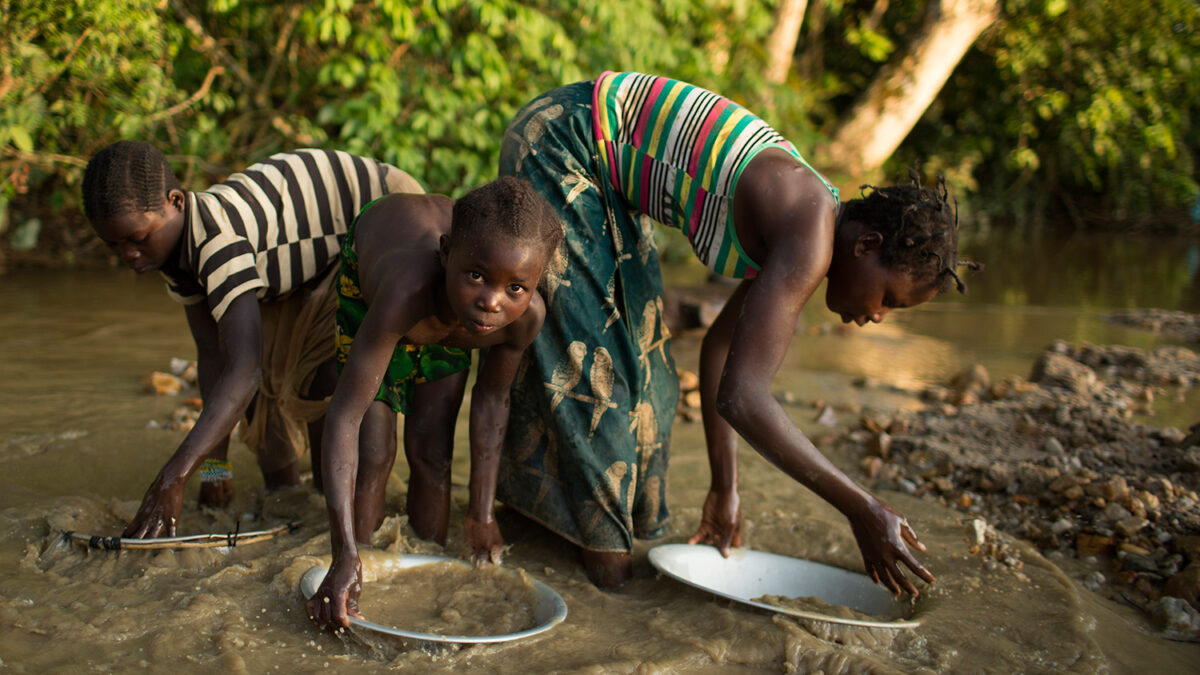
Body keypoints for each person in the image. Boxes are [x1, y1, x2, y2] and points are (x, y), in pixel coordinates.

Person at [498, 71, 977, 593]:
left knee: (654, 378)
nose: (878, 315)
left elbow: (720, 352)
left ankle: (544, 523)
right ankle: (604, 574)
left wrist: (724, 490)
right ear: (866, 245)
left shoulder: (804, 222)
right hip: (563, 141)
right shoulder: (810, 232)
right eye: (887, 298)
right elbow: (744, 397)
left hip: (607, 177)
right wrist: (861, 508)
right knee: (596, 374)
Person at [82, 141, 422, 538]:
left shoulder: (216, 239)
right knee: (266, 399)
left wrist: (172, 478)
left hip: (383, 213)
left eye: (137, 238)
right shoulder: (171, 252)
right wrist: (213, 469)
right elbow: (213, 357)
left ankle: (353, 523)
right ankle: (288, 502)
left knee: (325, 378)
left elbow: (244, 371)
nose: (129, 254)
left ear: (175, 201)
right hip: (300, 259)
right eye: (115, 245)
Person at [304, 177, 562, 630]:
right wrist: (340, 553)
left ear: (536, 282)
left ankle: (426, 576)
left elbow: (492, 402)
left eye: (515, 288)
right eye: (476, 276)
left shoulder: (521, 320)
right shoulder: (405, 291)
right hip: (381, 296)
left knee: (431, 451)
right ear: (446, 255)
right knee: (374, 452)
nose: (490, 301)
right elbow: (345, 415)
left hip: (447, 316)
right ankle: (355, 576)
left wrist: (481, 515)